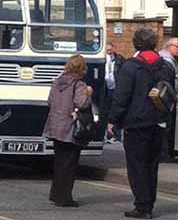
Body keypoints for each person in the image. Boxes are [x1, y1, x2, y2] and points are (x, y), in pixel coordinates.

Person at [108, 28, 176, 219]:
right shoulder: (166, 67)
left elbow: (121, 97)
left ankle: (142, 206)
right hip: (159, 121)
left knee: (137, 166)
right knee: (151, 165)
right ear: (154, 44)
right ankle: (149, 203)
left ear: (136, 44)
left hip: (136, 123)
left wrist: (113, 121)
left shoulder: (130, 67)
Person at [43, 54, 93, 208]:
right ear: (81, 68)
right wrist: (89, 93)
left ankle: (56, 195)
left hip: (56, 125)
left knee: (59, 163)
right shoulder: (78, 84)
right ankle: (65, 198)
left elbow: (49, 101)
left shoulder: (57, 82)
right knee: (69, 164)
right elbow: (82, 103)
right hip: (70, 127)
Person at [158, 37, 178, 161]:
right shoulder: (167, 60)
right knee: (166, 126)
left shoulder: (170, 59)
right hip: (166, 98)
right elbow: (169, 82)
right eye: (177, 47)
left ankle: (167, 152)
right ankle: (164, 154)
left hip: (167, 98)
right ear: (169, 46)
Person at [105, 42, 126, 142]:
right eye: (107, 50)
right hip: (105, 89)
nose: (108, 52)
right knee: (106, 111)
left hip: (116, 88)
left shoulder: (120, 59)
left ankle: (117, 136)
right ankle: (107, 135)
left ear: (113, 49)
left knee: (116, 111)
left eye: (110, 50)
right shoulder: (103, 59)